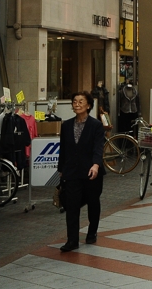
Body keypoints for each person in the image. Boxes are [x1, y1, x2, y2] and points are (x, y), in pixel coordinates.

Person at [57, 91, 105, 252]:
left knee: (93, 202)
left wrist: (96, 165)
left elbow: (98, 147)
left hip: (91, 171)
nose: (77, 104)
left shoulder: (96, 125)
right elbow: (63, 149)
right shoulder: (66, 125)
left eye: (81, 102)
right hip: (71, 171)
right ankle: (72, 240)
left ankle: (92, 232)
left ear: (88, 105)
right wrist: (61, 169)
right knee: (71, 206)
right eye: (74, 101)